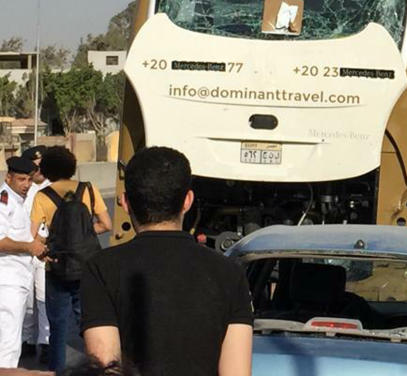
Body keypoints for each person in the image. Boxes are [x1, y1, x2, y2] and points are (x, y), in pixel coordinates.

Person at [81, 146, 253, 376]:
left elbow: (105, 366)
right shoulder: (229, 273)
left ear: (125, 202)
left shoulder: (100, 268)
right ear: (188, 200)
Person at [29, 147, 111, 374]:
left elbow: (35, 238)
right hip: (87, 266)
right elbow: (106, 224)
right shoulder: (89, 189)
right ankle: (97, 369)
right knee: (90, 323)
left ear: (46, 170)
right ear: (72, 166)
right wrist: (82, 236)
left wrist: (53, 244)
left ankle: (56, 370)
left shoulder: (42, 196)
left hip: (56, 267)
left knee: (58, 326)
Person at [0, 157, 47, 368]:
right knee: (8, 344)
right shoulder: (4, 201)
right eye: (21, 179)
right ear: (8, 177)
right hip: (7, 282)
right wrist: (29, 247)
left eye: (29, 179)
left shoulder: (16, 201)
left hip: (17, 279)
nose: (26, 185)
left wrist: (37, 250)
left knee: (11, 338)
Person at [20, 148, 49, 364]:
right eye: (35, 165)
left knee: (43, 298)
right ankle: (27, 341)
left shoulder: (54, 188)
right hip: (23, 249)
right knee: (26, 299)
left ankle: (46, 342)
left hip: (44, 249)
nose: (38, 170)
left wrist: (41, 239)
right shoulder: (22, 189)